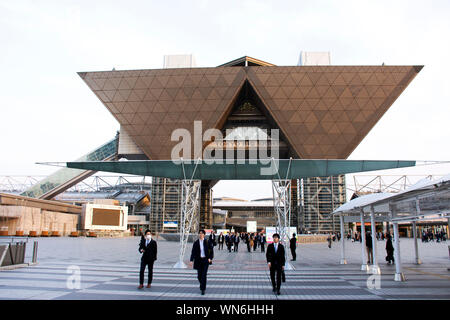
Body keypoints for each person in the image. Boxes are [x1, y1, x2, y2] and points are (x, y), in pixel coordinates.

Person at [190, 229, 214, 295]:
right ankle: (202, 284)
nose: (200, 235)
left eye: (202, 233)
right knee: (199, 276)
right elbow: (193, 252)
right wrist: (191, 260)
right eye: (199, 233)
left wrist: (210, 258)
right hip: (198, 260)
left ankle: (203, 289)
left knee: (204, 275)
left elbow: (211, 251)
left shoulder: (207, 242)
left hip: (205, 260)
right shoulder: (196, 243)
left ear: (204, 234)